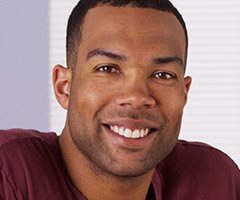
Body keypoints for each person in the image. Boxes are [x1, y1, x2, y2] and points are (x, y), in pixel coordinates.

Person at [0, 0, 239, 199]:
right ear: (64, 87)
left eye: (162, 75)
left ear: (184, 93)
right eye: (108, 69)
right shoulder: (8, 172)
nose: (136, 97)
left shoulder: (213, 181)